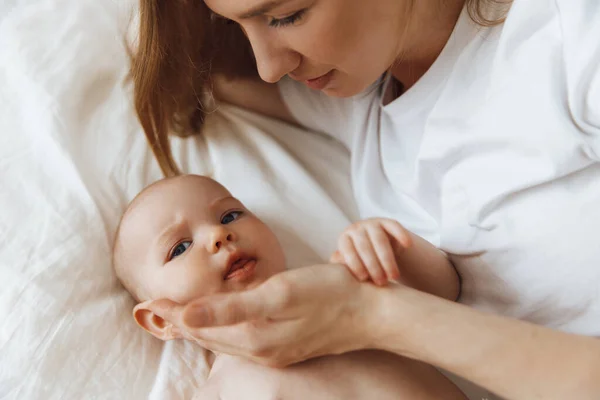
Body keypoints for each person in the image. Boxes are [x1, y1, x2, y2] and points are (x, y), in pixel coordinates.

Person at [130, 0, 600, 398]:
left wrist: (373, 316)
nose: (270, 68)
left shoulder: (569, 39)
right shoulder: (361, 102)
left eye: (287, 16)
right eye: (238, 24)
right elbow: (195, 74)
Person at [113, 174, 468, 399]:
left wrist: (390, 248)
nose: (218, 235)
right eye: (180, 247)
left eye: (229, 216)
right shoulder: (220, 393)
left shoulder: (342, 290)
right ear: (162, 320)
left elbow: (446, 290)